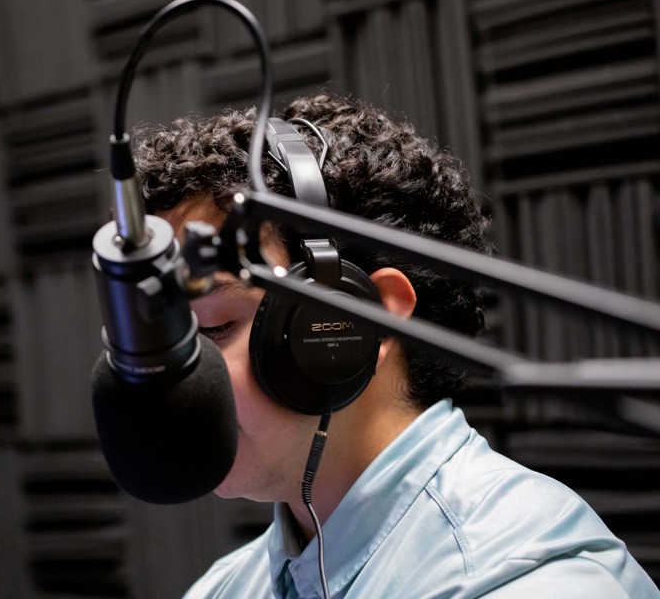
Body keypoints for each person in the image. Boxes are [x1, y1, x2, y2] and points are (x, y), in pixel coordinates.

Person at [135, 92, 659, 598]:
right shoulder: (225, 589)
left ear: (362, 317)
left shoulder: (522, 581)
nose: (176, 375)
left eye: (215, 325)